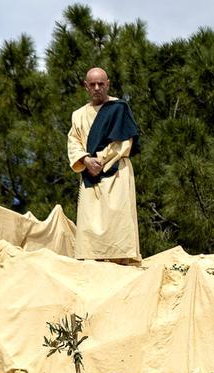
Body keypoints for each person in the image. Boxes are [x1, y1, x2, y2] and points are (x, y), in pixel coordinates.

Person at [67, 67, 142, 264]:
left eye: (101, 84)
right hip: (90, 175)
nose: (97, 88)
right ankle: (93, 263)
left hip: (115, 172)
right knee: (90, 224)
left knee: (118, 221)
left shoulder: (119, 108)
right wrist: (85, 160)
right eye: (92, 84)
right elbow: (73, 141)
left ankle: (121, 262)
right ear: (86, 86)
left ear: (108, 84)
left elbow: (124, 142)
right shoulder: (78, 115)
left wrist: (99, 159)